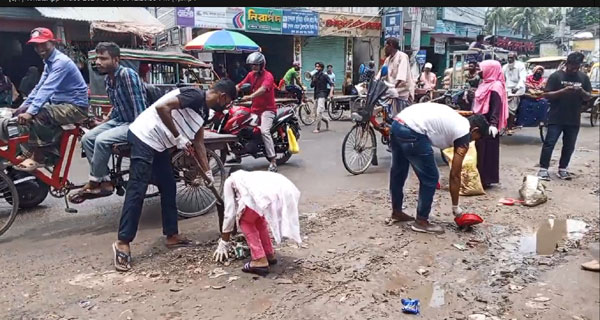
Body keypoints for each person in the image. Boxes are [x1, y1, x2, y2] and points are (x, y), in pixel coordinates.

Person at [111, 79, 237, 271]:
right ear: (223, 96)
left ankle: (172, 235)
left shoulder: (204, 113)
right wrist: (178, 136)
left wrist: (207, 172)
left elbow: (199, 143)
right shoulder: (195, 96)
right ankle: (123, 242)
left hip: (159, 144)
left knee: (169, 185)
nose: (226, 107)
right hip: (144, 137)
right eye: (227, 103)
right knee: (137, 188)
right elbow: (163, 108)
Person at [386, 102, 489, 234]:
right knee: (431, 178)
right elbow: (455, 175)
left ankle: (397, 212)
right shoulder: (463, 133)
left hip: (397, 124)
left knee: (399, 171)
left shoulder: (457, 120)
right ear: (474, 130)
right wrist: (455, 207)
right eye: (476, 138)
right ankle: (421, 222)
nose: (473, 141)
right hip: (413, 131)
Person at [68, 42, 147, 203]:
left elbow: (140, 109)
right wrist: (104, 122)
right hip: (119, 120)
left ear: (116, 59)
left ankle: (94, 181)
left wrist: (139, 136)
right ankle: (105, 181)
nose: (98, 62)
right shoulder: (108, 80)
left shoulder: (127, 75)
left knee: (102, 140)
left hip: (134, 123)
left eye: (103, 58)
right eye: (97, 58)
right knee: (88, 138)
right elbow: (116, 106)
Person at [14, 27, 89, 171]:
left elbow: (47, 89)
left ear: (52, 43)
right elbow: (38, 87)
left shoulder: (61, 62)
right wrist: (23, 108)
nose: (40, 48)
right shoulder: (49, 62)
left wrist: (31, 112)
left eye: (43, 44)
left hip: (76, 107)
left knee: (40, 115)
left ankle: (40, 157)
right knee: (20, 117)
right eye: (37, 45)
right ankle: (28, 152)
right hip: (60, 104)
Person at [213, 170, 301, 276]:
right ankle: (269, 254)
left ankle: (259, 260)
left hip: (274, 192)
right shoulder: (246, 177)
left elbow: (229, 213)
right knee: (259, 220)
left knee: (245, 222)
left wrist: (224, 242)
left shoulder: (229, 182)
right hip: (283, 188)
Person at [537, 52, 592, 181]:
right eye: (573, 66)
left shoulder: (583, 78)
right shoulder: (556, 76)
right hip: (556, 117)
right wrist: (563, 91)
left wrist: (581, 91)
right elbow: (546, 95)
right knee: (549, 143)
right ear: (567, 64)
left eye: (577, 67)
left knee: (569, 145)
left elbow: (588, 97)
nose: (574, 69)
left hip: (573, 118)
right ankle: (543, 169)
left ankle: (563, 168)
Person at [236, 52, 278, 172]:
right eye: (252, 65)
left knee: (264, 131)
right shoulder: (251, 75)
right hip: (255, 109)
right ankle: (237, 154)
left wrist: (250, 97)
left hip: (268, 110)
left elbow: (263, 89)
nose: (253, 67)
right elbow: (241, 85)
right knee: (239, 125)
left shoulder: (268, 76)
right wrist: (230, 90)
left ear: (262, 65)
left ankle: (273, 161)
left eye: (256, 65)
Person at [472, 60, 509, 188]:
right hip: (480, 121)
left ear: (490, 70)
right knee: (478, 150)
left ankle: (486, 179)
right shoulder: (483, 83)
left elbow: (496, 106)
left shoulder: (496, 86)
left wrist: (493, 123)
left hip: (489, 123)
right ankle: (478, 177)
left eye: (481, 69)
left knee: (487, 152)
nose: (479, 72)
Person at [376, 37, 414, 115]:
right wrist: (375, 82)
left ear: (391, 45)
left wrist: (393, 88)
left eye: (386, 46)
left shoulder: (402, 57)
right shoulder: (388, 59)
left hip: (402, 93)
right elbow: (381, 72)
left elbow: (401, 76)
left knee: (399, 118)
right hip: (391, 93)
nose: (385, 48)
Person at [502, 52, 527, 135]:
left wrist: (517, 88)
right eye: (508, 57)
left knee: (512, 108)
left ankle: (509, 127)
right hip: (507, 89)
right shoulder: (505, 67)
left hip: (517, 88)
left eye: (511, 58)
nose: (509, 59)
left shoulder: (520, 65)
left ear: (515, 58)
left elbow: (523, 78)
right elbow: (502, 79)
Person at [310, 61, 334, 133]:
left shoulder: (325, 76)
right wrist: (313, 80)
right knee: (316, 113)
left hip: (322, 94)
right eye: (316, 66)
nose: (316, 68)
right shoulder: (314, 76)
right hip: (316, 95)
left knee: (319, 111)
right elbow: (311, 86)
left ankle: (317, 128)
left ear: (322, 68)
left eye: (318, 67)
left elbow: (332, 84)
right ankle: (326, 120)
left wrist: (331, 93)